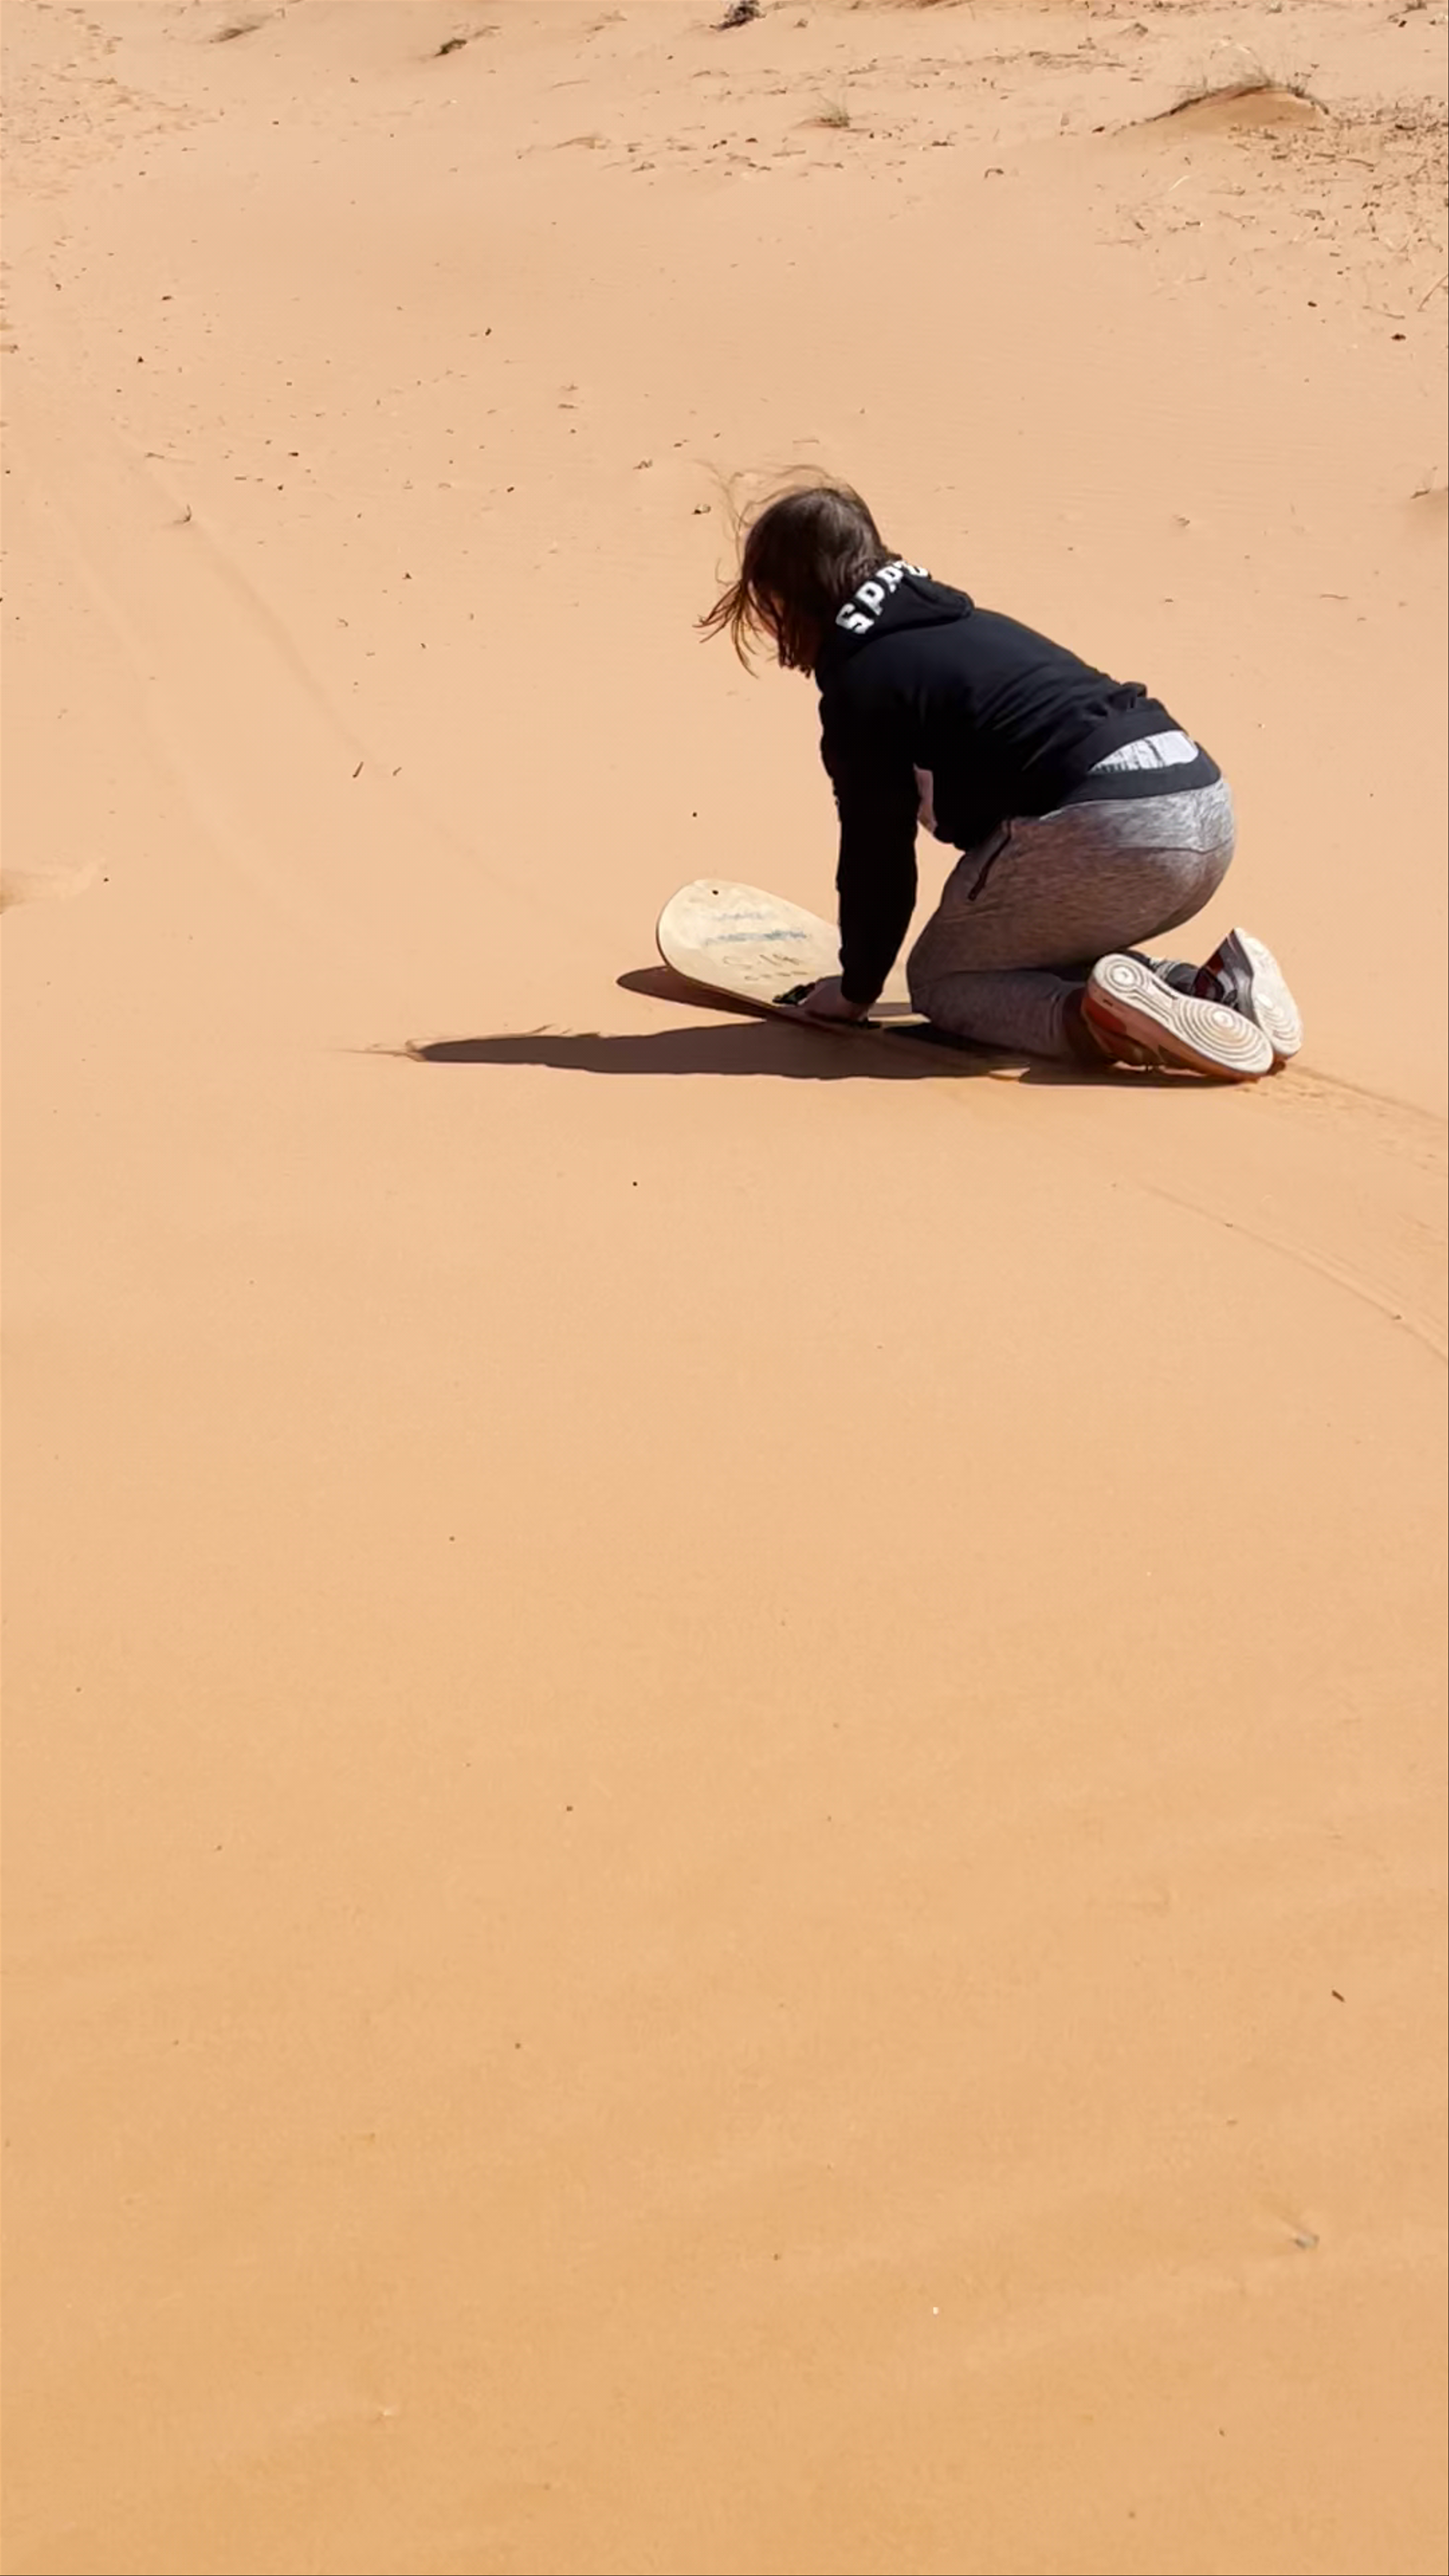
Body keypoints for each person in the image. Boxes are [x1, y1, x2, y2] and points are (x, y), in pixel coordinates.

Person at [699, 482, 1301, 1079]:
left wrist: (856, 989)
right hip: (1203, 804)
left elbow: (877, 856)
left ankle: (1102, 1023)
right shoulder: (966, 623)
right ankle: (1214, 986)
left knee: (943, 979)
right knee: (1018, 954)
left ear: (786, 596)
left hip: (1111, 828)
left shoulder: (863, 683)